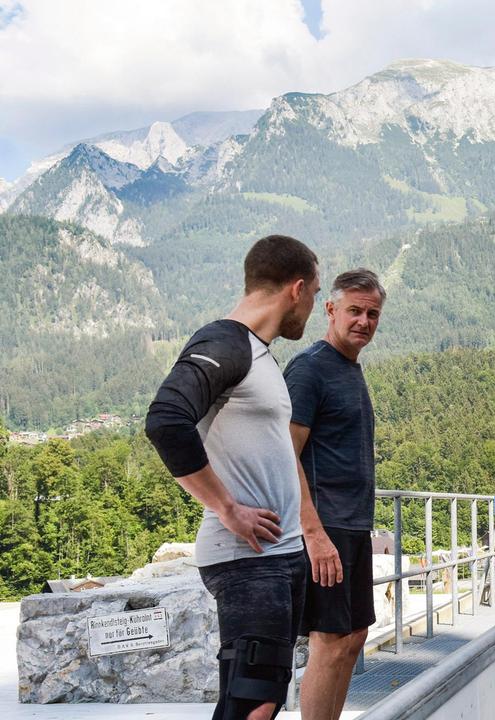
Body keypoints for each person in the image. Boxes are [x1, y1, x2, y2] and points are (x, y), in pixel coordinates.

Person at [145, 235, 320, 720]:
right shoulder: (224, 342)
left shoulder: (259, 353)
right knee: (251, 703)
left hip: (280, 555)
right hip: (246, 558)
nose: (311, 309)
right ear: (297, 289)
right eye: (313, 295)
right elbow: (165, 420)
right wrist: (227, 508)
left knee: (265, 698)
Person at [284, 269, 386, 719]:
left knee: (354, 636)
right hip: (327, 526)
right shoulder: (310, 369)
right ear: (331, 309)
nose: (363, 321)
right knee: (328, 640)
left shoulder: (348, 368)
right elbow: (285, 456)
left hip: (354, 524)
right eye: (354, 311)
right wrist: (314, 533)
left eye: (372, 314)